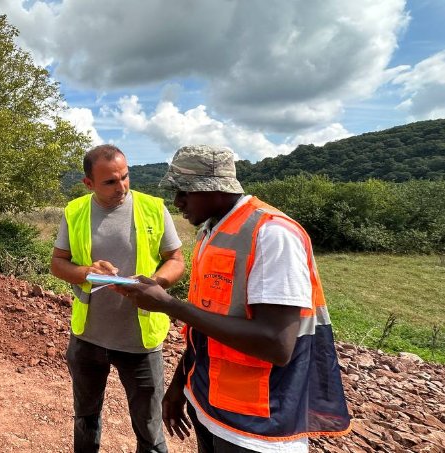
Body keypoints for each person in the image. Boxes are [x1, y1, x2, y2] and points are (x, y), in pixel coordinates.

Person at [112, 145, 351, 453]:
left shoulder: (272, 234)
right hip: (211, 407)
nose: (178, 202)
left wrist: (168, 305)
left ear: (214, 188)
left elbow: (276, 344)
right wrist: (179, 387)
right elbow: (206, 324)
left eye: (184, 192)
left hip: (259, 429)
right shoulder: (211, 232)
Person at [51, 144, 186, 453]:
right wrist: (87, 271)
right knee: (86, 419)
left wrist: (154, 284)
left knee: (150, 431)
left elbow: (176, 260)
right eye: (110, 181)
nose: (121, 187)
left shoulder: (153, 207)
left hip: (140, 342)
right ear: (88, 184)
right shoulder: (75, 211)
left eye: (126, 177)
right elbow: (58, 263)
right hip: (89, 338)